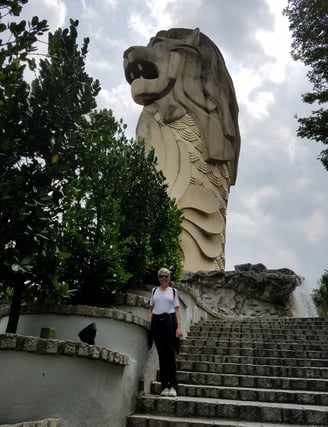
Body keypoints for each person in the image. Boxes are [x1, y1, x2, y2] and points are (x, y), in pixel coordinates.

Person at [147, 267, 182, 397]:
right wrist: (149, 323)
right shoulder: (154, 291)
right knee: (162, 355)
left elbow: (177, 310)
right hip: (157, 322)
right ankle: (164, 386)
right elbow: (150, 309)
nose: (164, 278)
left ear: (169, 277)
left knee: (170, 354)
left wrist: (179, 327)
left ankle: (172, 385)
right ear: (158, 278)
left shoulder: (173, 291)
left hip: (170, 321)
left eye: (166, 276)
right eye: (161, 276)